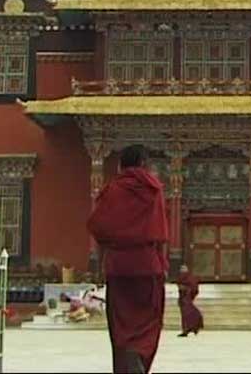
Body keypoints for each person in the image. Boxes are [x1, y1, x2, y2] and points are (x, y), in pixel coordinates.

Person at [87, 145, 169, 374]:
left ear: (122, 164)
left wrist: (102, 257)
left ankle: (127, 360)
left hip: (119, 265)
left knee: (121, 323)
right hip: (148, 265)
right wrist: (163, 264)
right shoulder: (154, 190)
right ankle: (139, 354)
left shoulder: (113, 189)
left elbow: (96, 225)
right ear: (144, 163)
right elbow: (161, 233)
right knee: (149, 323)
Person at [176, 264, 203, 337]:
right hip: (182, 298)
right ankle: (186, 329)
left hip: (186, 298)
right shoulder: (180, 277)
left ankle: (192, 327)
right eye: (181, 269)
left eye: (183, 269)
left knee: (189, 312)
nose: (182, 271)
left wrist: (188, 293)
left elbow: (193, 288)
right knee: (184, 315)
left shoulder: (189, 277)